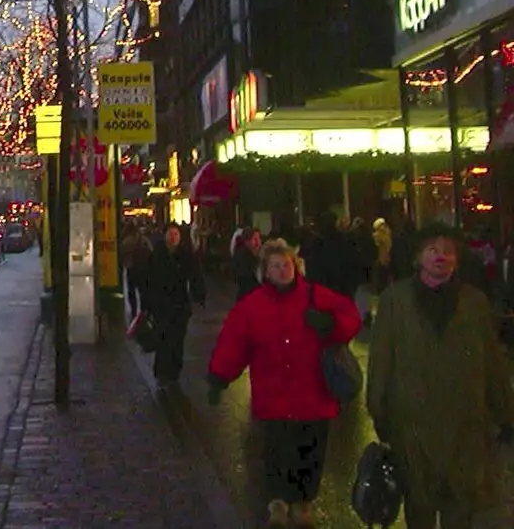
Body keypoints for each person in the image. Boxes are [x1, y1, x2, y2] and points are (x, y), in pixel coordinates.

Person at [367, 222, 514, 529]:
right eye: (433, 250)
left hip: (465, 428)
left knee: (460, 509)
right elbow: (380, 363)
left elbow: (493, 363)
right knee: (419, 508)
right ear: (418, 257)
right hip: (413, 430)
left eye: (448, 251)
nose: (441, 257)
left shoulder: (475, 303)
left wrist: (504, 414)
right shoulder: (396, 301)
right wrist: (381, 415)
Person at [208, 239, 361, 527]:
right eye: (275, 266)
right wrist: (219, 377)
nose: (282, 270)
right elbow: (234, 344)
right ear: (265, 271)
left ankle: (303, 504)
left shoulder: (315, 296)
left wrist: (331, 324)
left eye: (286, 264)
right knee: (276, 453)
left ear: (296, 266)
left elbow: (349, 315)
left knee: (310, 454)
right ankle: (278, 504)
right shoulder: (252, 306)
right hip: (273, 398)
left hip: (313, 395)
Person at [144, 223, 206, 383]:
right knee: (164, 338)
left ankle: (174, 371)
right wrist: (148, 304)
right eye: (170, 234)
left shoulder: (186, 255)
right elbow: (148, 280)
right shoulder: (157, 255)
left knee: (178, 340)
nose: (173, 238)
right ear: (165, 236)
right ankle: (162, 372)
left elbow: (196, 276)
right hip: (162, 305)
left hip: (180, 305)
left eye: (176, 235)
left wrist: (199, 294)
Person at [231, 228, 263, 302]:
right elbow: (240, 276)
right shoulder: (241, 256)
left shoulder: (262, 254)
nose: (258, 242)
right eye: (254, 239)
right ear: (247, 241)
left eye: (259, 238)